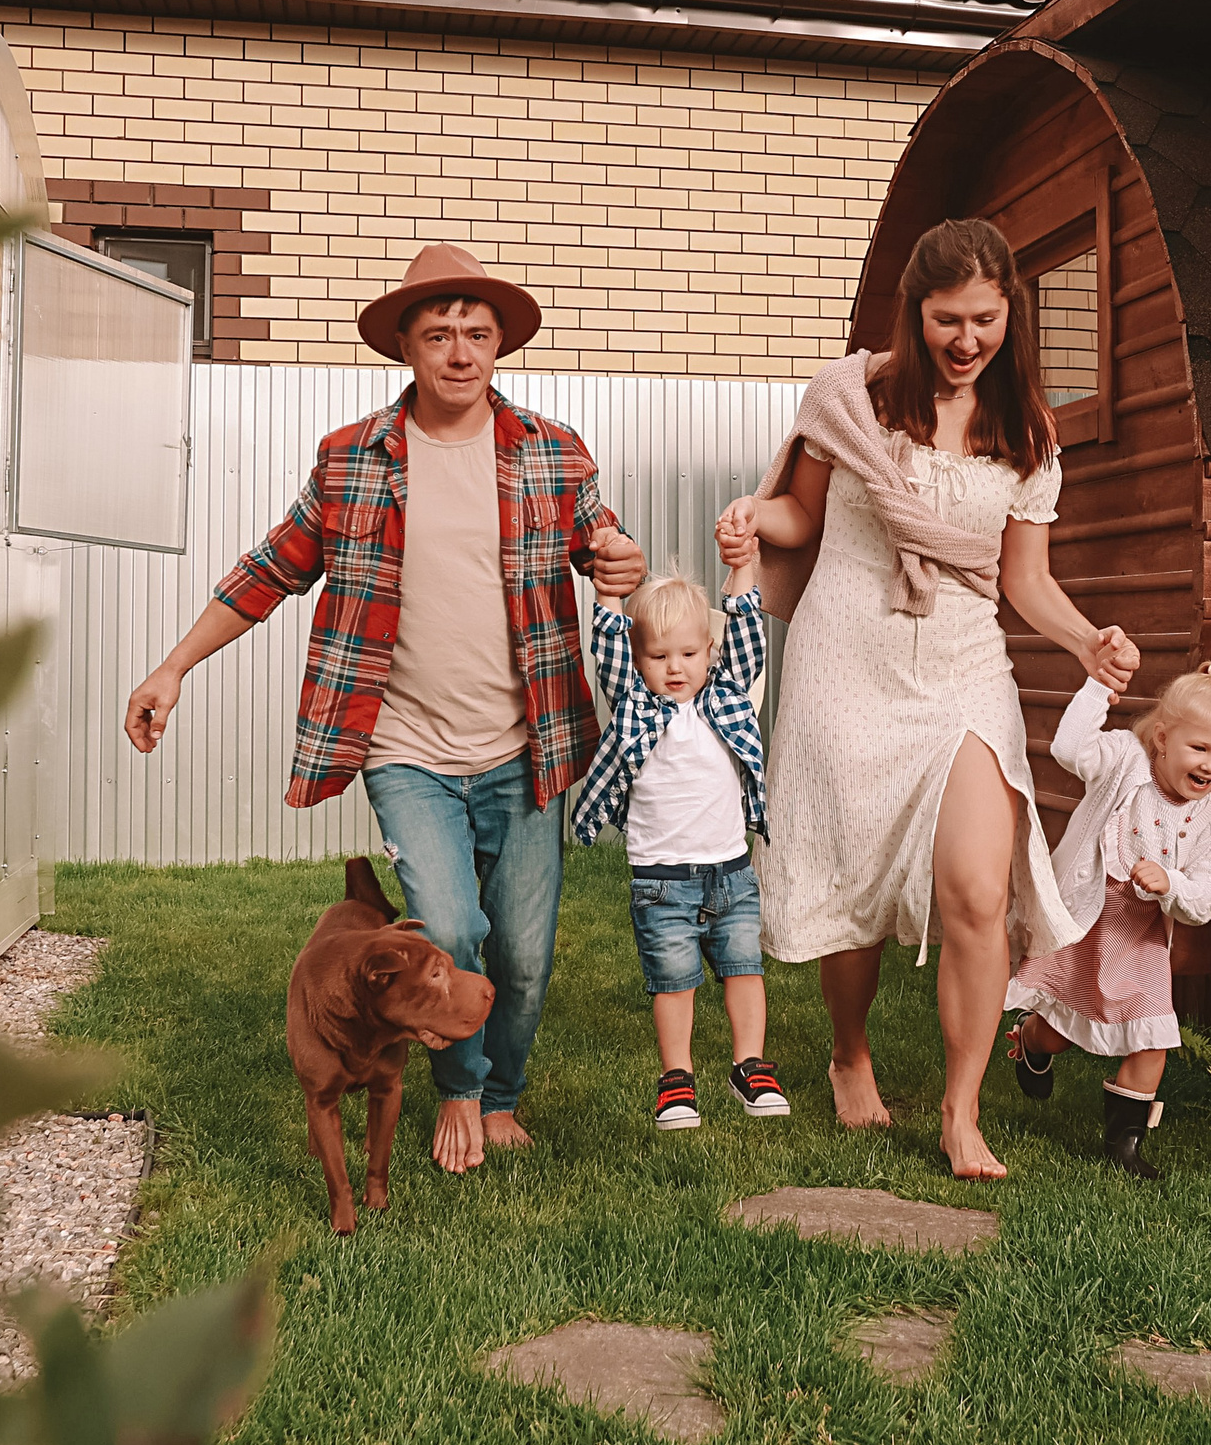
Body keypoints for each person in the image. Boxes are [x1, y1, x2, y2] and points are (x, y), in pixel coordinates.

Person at [121, 241, 645, 1175]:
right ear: (404, 345)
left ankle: (500, 1097)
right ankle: (458, 1087)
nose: (459, 351)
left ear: (498, 346)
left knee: (520, 953)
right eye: (438, 333)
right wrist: (173, 668)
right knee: (449, 926)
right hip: (404, 748)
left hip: (527, 747)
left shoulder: (552, 454)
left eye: (477, 333)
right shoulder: (352, 460)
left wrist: (623, 562)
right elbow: (268, 570)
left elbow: (603, 542)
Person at [717, 217, 1139, 1181]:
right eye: (948, 320)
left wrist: (1087, 641)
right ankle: (850, 1051)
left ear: (1009, 315)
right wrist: (754, 513)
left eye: (985, 320)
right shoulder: (853, 398)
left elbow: (1022, 579)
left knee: (979, 890)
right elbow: (803, 515)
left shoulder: (1026, 429)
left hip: (960, 665)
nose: (966, 341)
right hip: (845, 652)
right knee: (857, 878)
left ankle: (959, 1111)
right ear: (914, 313)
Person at [573, 537, 789, 1131]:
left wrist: (742, 567)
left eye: (689, 654)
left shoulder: (728, 697)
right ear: (640, 662)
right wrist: (608, 595)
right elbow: (610, 648)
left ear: (709, 652)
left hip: (732, 871)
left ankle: (750, 1064)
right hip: (661, 880)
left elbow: (748, 638)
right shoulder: (634, 706)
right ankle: (677, 1078)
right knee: (673, 980)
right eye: (659, 656)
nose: (675, 667)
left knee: (745, 966)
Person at [1005, 665, 1211, 1180]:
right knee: (1064, 1030)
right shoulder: (1123, 760)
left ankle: (1124, 1146)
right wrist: (1099, 687)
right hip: (1086, 918)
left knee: (1151, 1037)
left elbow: (1205, 901)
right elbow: (1069, 748)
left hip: (1138, 939)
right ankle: (1031, 1039)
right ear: (1162, 738)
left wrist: (1173, 884)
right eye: (1200, 749)